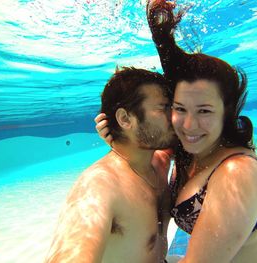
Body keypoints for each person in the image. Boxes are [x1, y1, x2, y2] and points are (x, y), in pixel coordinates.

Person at [96, 1, 257, 262]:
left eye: (204, 111)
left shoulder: (237, 174)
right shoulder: (188, 146)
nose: (188, 125)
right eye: (179, 108)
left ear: (227, 113)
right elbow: (146, 157)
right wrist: (121, 138)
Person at [45, 67, 177, 263]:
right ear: (125, 119)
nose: (175, 116)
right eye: (164, 107)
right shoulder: (98, 186)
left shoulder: (159, 161)